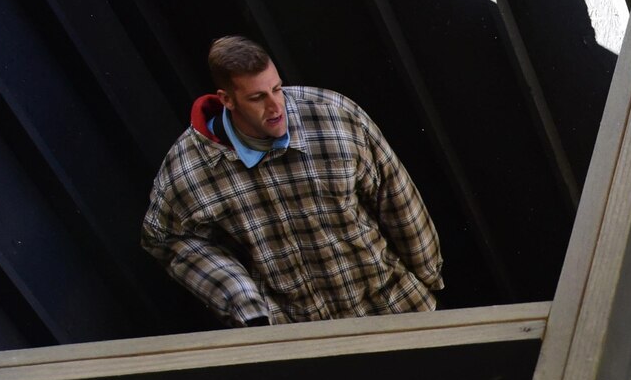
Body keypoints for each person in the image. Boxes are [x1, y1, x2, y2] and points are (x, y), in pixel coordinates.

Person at [142, 36, 442, 327]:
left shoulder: (335, 117)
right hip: (299, 334)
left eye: (277, 88)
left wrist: (428, 274)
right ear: (226, 100)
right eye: (258, 97)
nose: (275, 107)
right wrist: (244, 302)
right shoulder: (189, 168)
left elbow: (397, 196)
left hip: (395, 308)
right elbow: (165, 237)